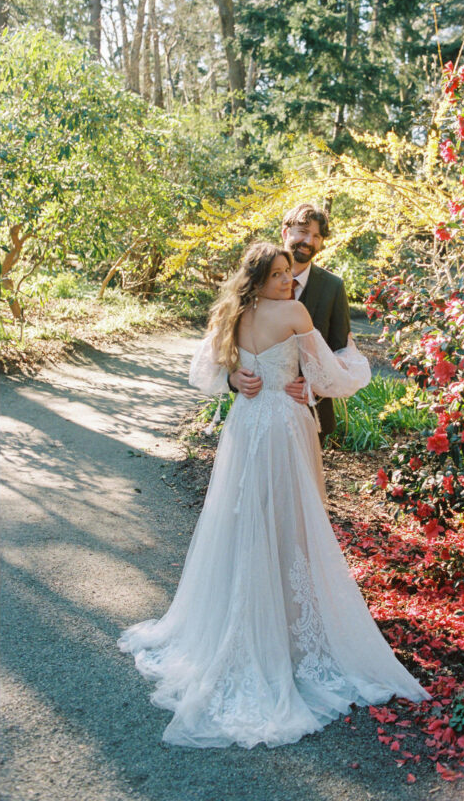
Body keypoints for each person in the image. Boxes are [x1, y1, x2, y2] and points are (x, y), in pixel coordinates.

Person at [118, 242, 427, 749]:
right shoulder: (295, 312)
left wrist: (234, 379)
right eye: (280, 274)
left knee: (245, 517)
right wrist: (347, 362)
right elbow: (329, 375)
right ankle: (284, 628)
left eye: (289, 272)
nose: (289, 280)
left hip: (245, 425)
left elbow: (207, 371)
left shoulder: (232, 312)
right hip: (283, 425)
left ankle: (258, 615)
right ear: (259, 279)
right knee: (293, 520)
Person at [229, 203, 350, 445]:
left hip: (309, 412)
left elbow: (343, 350)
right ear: (286, 232)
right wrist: (231, 378)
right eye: (303, 232)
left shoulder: (333, 287)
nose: (309, 241)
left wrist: (317, 385)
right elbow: (225, 344)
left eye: (317, 236)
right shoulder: (251, 283)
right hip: (255, 414)